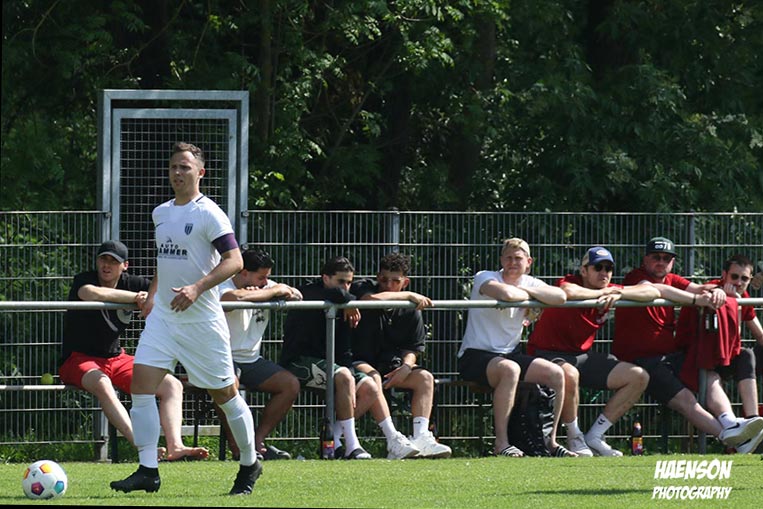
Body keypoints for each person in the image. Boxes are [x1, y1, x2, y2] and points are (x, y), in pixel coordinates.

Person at [111, 142, 261, 495]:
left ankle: (250, 462)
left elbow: (235, 261)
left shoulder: (210, 213)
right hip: (164, 318)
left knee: (225, 395)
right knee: (141, 387)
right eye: (173, 167)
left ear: (200, 173)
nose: (177, 173)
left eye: (185, 167)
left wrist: (197, 288)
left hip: (201, 322)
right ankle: (148, 469)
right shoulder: (161, 213)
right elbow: (166, 261)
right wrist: (153, 293)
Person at [59, 240, 208, 462]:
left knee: (172, 385)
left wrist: (189, 290)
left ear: (125, 265)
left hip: (116, 358)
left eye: (113, 261)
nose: (106, 265)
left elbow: (164, 291)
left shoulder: (133, 282)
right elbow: (89, 293)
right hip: (78, 359)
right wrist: (137, 298)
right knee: (102, 383)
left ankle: (175, 446)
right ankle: (142, 446)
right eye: (103, 259)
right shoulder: (85, 279)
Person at [613, 237, 763, 454]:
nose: (661, 262)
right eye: (656, 257)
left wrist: (716, 290)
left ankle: (738, 423)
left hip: (674, 356)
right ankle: (736, 440)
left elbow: (698, 288)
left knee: (715, 371)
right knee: (686, 399)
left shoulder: (675, 279)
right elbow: (656, 290)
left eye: (666, 258)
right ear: (645, 259)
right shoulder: (636, 277)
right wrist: (701, 297)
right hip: (641, 361)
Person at [280, 256, 419, 460]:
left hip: (334, 366)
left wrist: (352, 378)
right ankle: (352, 446)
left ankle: (336, 441)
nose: (346, 286)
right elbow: (332, 294)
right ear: (325, 278)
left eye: (349, 282)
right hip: (297, 363)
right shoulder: (309, 293)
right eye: (341, 281)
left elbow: (345, 348)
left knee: (370, 387)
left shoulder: (347, 304)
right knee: (344, 375)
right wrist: (348, 300)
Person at [528, 246, 656, 457]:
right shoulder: (571, 281)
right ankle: (574, 437)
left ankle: (595, 436)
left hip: (581, 357)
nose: (604, 273)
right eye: (598, 267)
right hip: (547, 353)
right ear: (584, 270)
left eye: (608, 268)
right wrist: (603, 293)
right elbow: (568, 292)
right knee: (570, 374)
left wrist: (619, 292)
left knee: (638, 376)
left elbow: (653, 292)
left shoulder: (611, 290)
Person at [457, 238, 576, 457]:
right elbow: (507, 295)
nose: (512, 262)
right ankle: (501, 443)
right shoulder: (485, 276)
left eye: (518, 258)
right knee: (510, 370)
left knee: (556, 374)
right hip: (475, 356)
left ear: (528, 262)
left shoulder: (531, 282)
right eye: (508, 258)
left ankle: (550, 442)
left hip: (510, 354)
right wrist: (533, 297)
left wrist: (527, 292)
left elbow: (560, 297)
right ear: (501, 260)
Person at [350, 252, 452, 458]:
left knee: (424, 378)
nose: (388, 285)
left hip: (391, 367)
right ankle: (393, 440)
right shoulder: (364, 287)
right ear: (377, 277)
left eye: (395, 281)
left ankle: (422, 437)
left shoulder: (411, 310)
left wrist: (406, 367)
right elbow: (371, 300)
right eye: (383, 279)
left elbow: (412, 348)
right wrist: (407, 295)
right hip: (357, 361)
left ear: (405, 282)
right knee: (374, 377)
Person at [219, 248, 303, 460]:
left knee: (290, 385)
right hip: (223, 357)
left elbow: (297, 294)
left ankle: (257, 441)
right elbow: (233, 298)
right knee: (228, 386)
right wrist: (273, 292)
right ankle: (238, 448)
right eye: (261, 277)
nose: (266, 282)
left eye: (267, 277)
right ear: (244, 272)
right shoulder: (223, 285)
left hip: (252, 360)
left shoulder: (265, 286)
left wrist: (275, 290)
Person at [677, 254, 762, 422]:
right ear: (724, 275)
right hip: (696, 358)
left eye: (744, 279)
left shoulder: (743, 297)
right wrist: (734, 302)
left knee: (747, 355)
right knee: (720, 371)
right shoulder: (712, 292)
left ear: (750, 279)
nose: (738, 283)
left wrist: (737, 302)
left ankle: (753, 419)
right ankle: (732, 424)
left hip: (723, 356)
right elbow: (730, 335)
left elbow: (758, 334)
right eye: (734, 277)